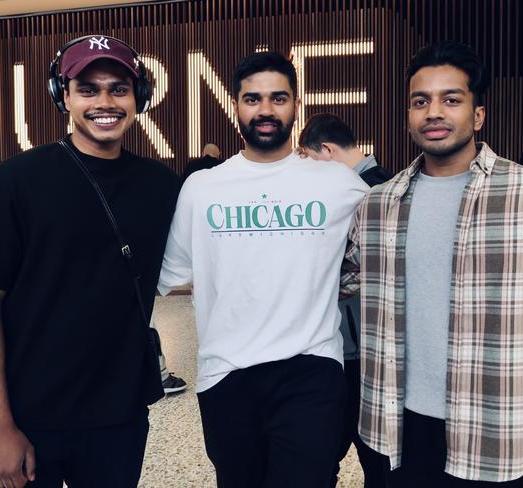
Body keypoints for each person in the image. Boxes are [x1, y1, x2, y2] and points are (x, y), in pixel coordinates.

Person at [341, 41, 523, 487]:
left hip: (496, 437)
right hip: (396, 431)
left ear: (477, 116)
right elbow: (341, 283)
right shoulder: (377, 205)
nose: (433, 112)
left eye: (451, 100)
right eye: (420, 101)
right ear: (408, 115)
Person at [0, 35, 181, 488]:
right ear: (62, 96)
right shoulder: (12, 184)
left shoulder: (162, 188)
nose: (104, 102)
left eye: (118, 88)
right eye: (87, 89)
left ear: (139, 98)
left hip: (119, 419)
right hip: (28, 418)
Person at [158, 52, 369, 488]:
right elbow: (167, 275)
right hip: (226, 376)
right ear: (235, 105)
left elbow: (386, 242)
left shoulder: (337, 183)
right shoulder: (201, 189)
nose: (266, 110)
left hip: (311, 371)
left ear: (296, 104)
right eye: (253, 99)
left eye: (278, 98)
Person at [298, 112, 391, 488]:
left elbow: (357, 275)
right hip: (360, 344)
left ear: (326, 150)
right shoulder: (385, 183)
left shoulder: (369, 194)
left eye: (306, 158)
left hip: (357, 349)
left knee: (359, 453)